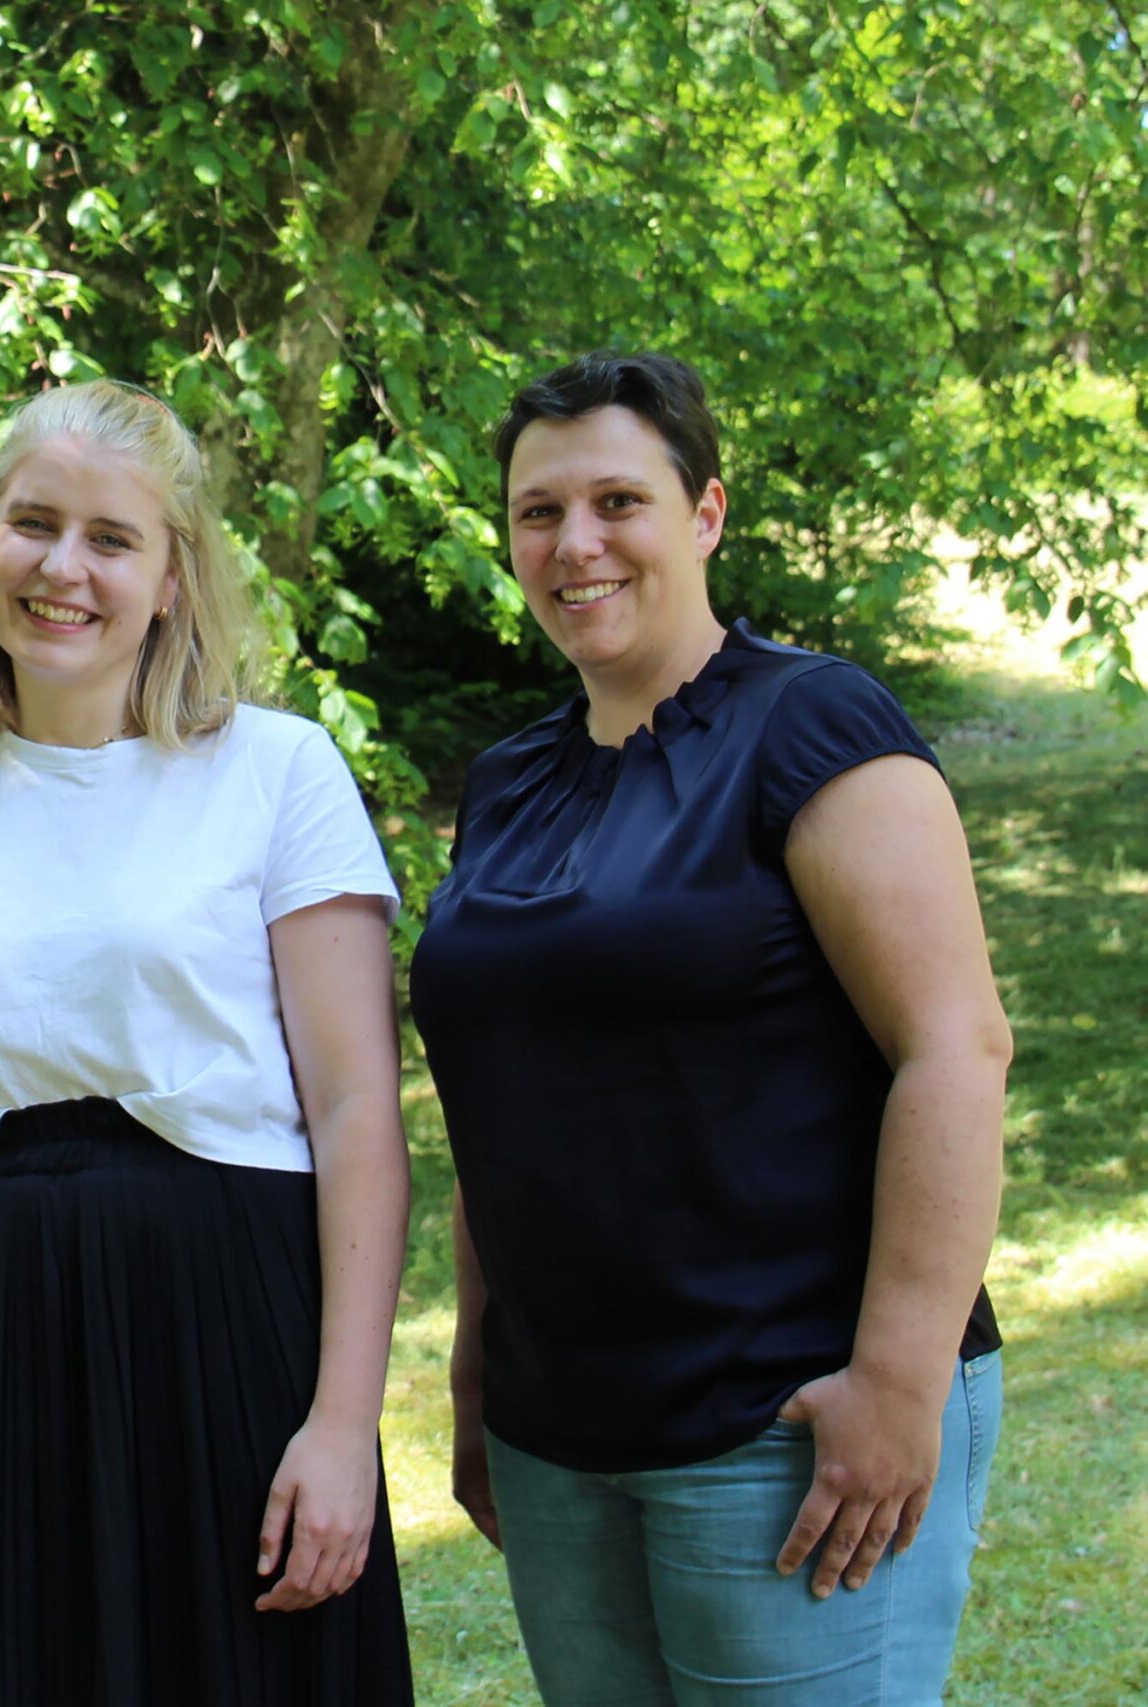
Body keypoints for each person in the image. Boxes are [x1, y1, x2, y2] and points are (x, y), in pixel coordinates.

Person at [0, 379, 418, 1705]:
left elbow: (359, 1111)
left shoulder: (278, 776)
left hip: (230, 1339)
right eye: (33, 524)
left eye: (112, 538)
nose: (62, 569)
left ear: (175, 576)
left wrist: (344, 1425)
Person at [411, 351, 1009, 1703]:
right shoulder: (511, 780)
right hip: (559, 1438)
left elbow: (955, 1050)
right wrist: (474, 1382)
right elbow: (501, 1102)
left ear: (707, 514)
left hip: (787, 1428)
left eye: (618, 500)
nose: (575, 544)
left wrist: (898, 1382)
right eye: (536, 512)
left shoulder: (816, 727)